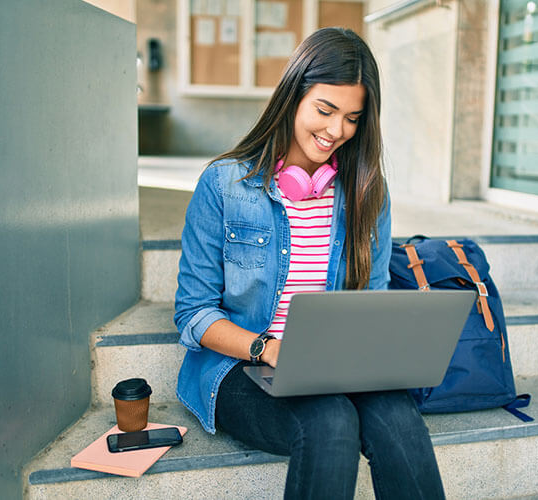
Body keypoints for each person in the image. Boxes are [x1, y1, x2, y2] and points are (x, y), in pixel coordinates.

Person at [174, 27, 446, 499]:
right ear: (292, 95)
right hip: (241, 366)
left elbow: (372, 300)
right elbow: (193, 313)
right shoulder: (224, 185)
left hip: (336, 364)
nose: (336, 130)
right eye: (325, 110)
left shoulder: (367, 193)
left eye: (352, 118)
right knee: (330, 420)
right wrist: (269, 348)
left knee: (399, 419)